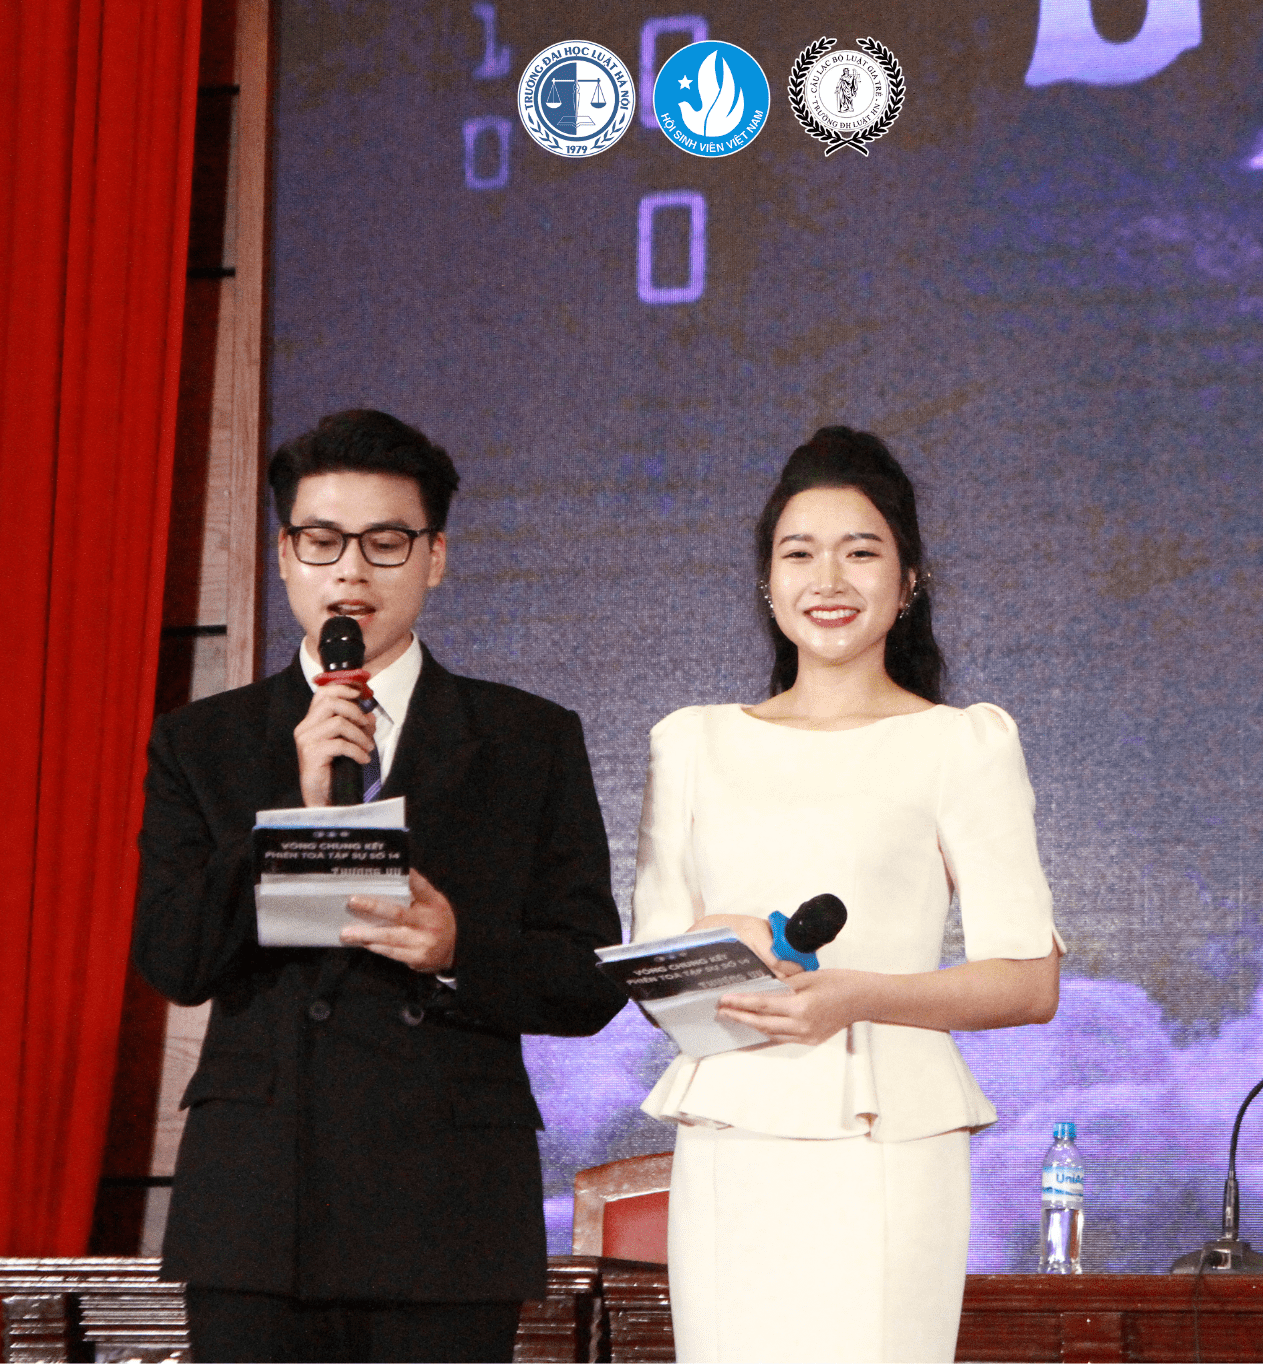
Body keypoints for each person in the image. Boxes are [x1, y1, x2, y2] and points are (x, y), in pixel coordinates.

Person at [133, 408, 629, 1364]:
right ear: (285, 555)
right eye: (322, 541)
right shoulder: (204, 741)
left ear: (435, 557)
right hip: (260, 1207)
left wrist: (458, 950)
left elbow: (586, 977)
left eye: (385, 542)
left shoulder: (528, 739)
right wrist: (291, 809)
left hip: (447, 1206)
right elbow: (174, 958)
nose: (351, 572)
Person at [631, 427, 1067, 1363]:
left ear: (908, 583)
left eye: (860, 552)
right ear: (767, 581)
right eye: (800, 554)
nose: (827, 579)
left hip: (888, 1138)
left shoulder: (961, 744)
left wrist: (858, 996)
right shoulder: (692, 744)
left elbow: (1030, 982)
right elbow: (655, 977)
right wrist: (719, 938)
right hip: (733, 1136)